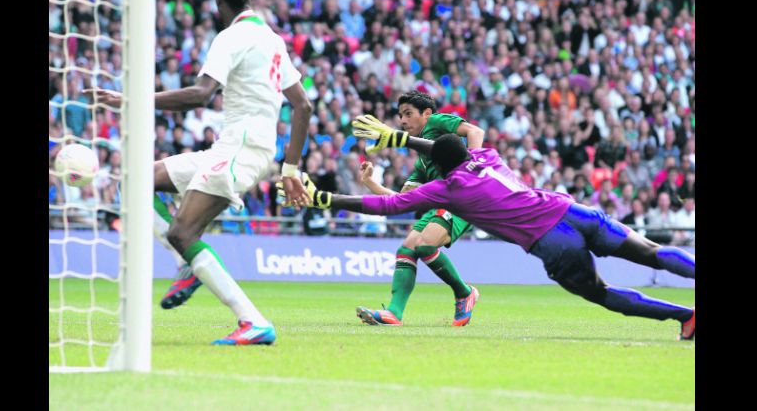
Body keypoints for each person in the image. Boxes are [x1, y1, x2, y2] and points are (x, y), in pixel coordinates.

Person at [283, 122, 695, 340]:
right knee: (652, 251)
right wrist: (403, 139)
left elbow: (389, 206)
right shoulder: (488, 156)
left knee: (601, 293)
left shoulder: (448, 187)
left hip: (553, 241)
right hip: (573, 211)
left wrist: (326, 198)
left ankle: (687, 317)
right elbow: (448, 149)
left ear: (440, 167)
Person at [86, 0, 313, 345]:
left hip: (240, 148)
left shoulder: (231, 36)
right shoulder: (273, 39)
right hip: (238, 147)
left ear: (217, 2)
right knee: (135, 180)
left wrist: (132, 99)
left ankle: (252, 320)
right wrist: (289, 168)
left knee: (182, 232)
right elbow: (303, 106)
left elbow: (200, 94)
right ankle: (187, 263)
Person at [354, 92, 484, 326]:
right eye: (400, 116)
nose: (403, 121)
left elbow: (476, 132)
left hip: (464, 198)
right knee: (407, 248)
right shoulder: (422, 163)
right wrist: (370, 183)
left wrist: (471, 170)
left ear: (426, 114)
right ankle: (394, 312)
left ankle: (464, 293)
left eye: (408, 114)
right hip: (444, 204)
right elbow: (402, 200)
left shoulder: (436, 122)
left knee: (425, 244)